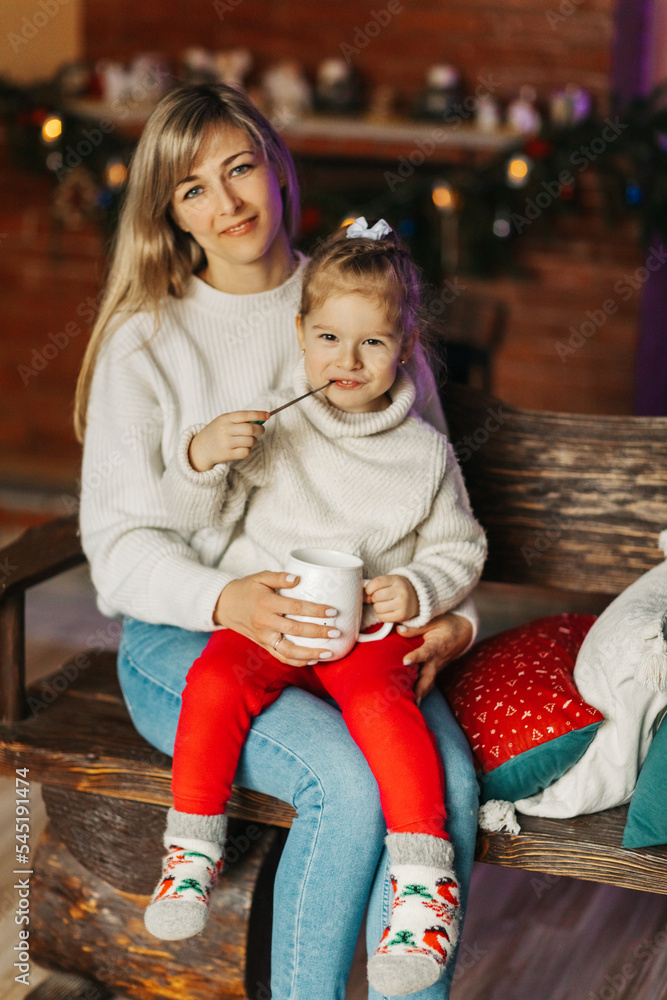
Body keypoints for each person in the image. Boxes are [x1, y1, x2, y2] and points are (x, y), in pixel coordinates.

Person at [76, 82, 481, 1000]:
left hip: (358, 643)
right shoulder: (147, 340)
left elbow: (430, 498)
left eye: (240, 168)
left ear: (276, 165)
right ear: (168, 215)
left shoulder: (359, 294)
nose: (226, 205)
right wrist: (228, 600)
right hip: (191, 641)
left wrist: (453, 618)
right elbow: (118, 548)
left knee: (446, 791)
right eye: (192, 190)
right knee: (344, 786)